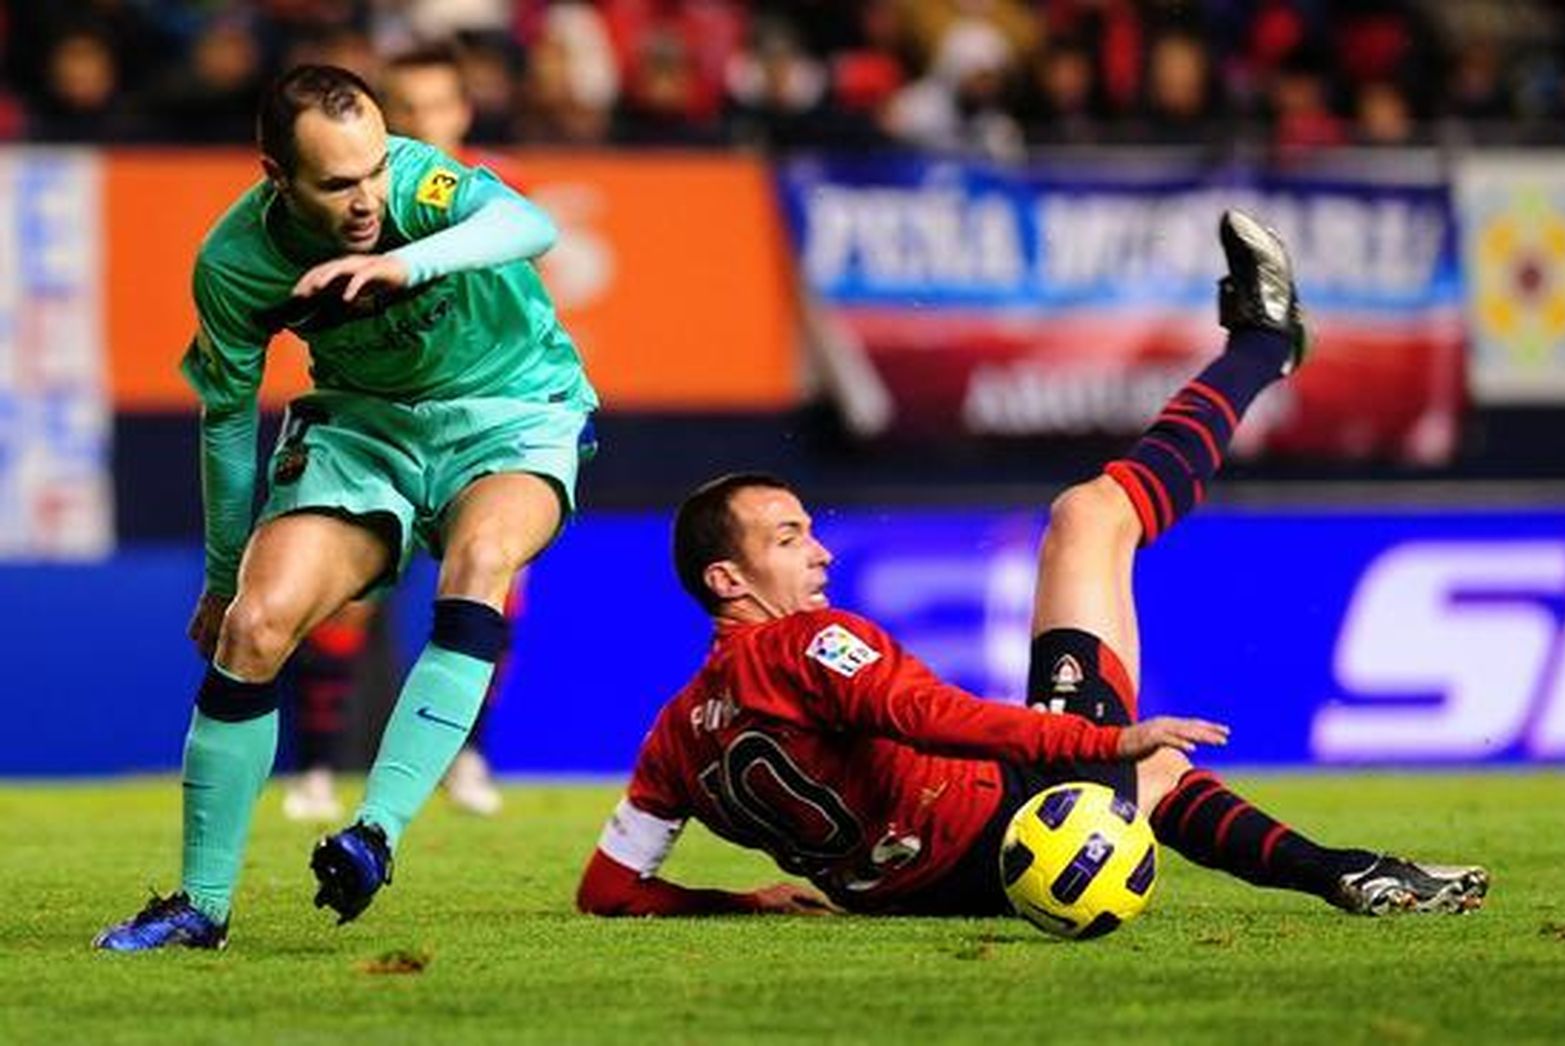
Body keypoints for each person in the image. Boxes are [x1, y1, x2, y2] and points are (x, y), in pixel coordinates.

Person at [576, 212, 1488, 920]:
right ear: (726, 581)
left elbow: (609, 889)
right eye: (785, 539)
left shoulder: (673, 738)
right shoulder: (809, 647)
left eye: (809, 528)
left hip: (905, 891)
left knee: (1131, 740)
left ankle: (1353, 872)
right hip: (1002, 835)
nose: (818, 550)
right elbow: (944, 721)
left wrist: (745, 902)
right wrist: (1108, 742)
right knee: (1092, 523)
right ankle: (1261, 343)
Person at [94, 63, 597, 951]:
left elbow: (531, 222)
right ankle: (199, 907)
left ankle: (375, 834)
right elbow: (224, 425)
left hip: (515, 412)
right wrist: (220, 579)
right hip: (364, 432)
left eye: (372, 169)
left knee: (479, 566)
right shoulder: (234, 265)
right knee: (253, 629)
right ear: (274, 177)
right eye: (336, 183)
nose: (367, 196)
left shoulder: (417, 181)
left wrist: (404, 261)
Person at [278, 44, 523, 826]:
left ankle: (468, 756)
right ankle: (315, 771)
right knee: (340, 603)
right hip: (378, 427)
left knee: (493, 577)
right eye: (407, 109)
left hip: (477, 428)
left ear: (463, 112)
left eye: (437, 106)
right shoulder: (351, 207)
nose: (424, 122)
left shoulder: (490, 203)